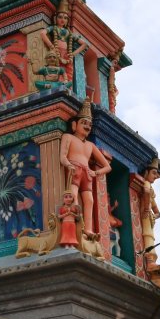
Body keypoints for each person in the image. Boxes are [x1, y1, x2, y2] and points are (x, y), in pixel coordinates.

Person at [59, 100, 111, 235]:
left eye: (89, 124)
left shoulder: (90, 145)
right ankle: (76, 224)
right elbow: (63, 156)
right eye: (84, 123)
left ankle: (88, 229)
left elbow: (107, 166)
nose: (87, 126)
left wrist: (95, 172)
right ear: (74, 125)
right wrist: (68, 165)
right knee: (73, 196)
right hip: (74, 169)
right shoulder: (68, 137)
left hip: (86, 173)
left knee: (89, 200)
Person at [42, 0, 86, 84]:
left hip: (66, 55)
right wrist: (52, 47)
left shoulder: (68, 33)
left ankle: (66, 87)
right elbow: (42, 33)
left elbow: (84, 44)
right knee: (56, 71)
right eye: (60, 17)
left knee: (67, 73)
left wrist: (73, 54)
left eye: (65, 18)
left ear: (67, 21)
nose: (63, 20)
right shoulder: (54, 28)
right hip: (56, 53)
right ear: (55, 18)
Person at [133, 158, 160, 266]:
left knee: (149, 235)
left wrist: (155, 215)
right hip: (145, 214)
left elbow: (157, 211)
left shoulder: (150, 188)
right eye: (153, 173)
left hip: (149, 216)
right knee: (148, 236)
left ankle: (150, 259)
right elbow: (145, 191)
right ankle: (150, 259)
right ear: (146, 172)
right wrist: (146, 209)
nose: (155, 176)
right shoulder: (146, 184)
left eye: (156, 174)